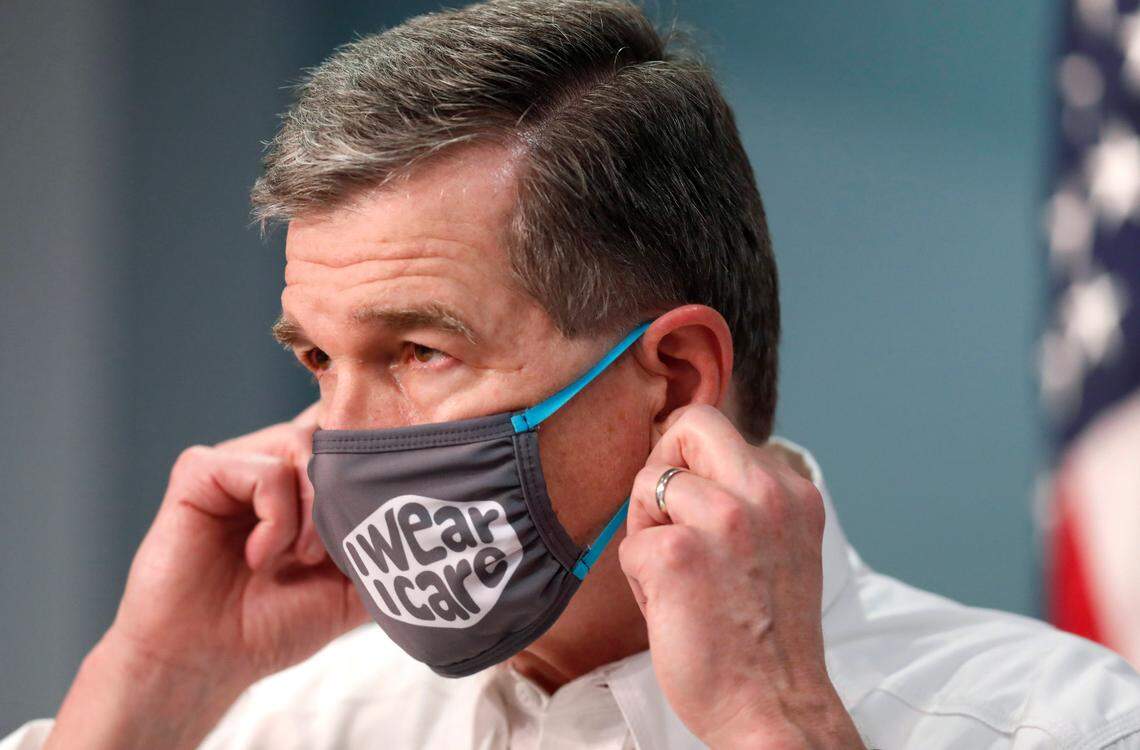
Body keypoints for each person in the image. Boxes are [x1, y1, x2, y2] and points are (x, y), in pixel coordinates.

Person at [6, 1, 1140, 748]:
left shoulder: (1059, 726)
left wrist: (771, 724)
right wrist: (150, 685)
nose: (336, 442)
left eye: (417, 351)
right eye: (317, 358)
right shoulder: (277, 725)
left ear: (677, 378)